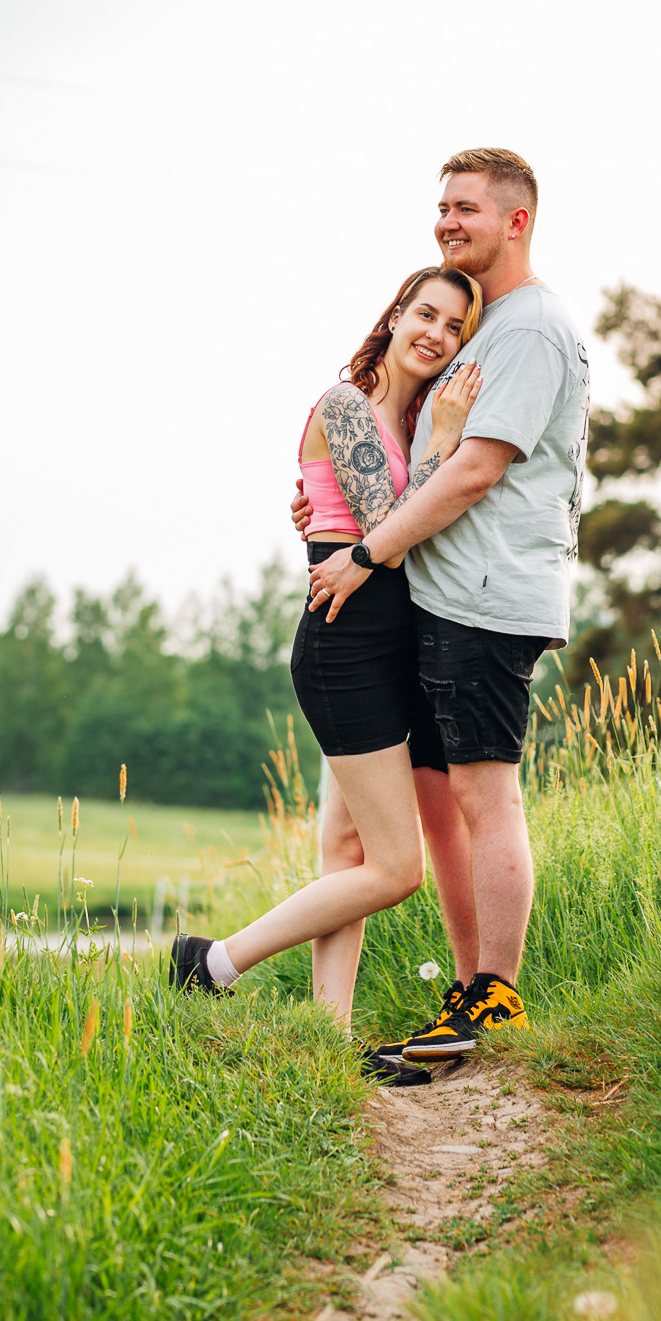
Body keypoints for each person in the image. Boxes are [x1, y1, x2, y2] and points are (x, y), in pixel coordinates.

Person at [300, 148, 589, 1065]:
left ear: (516, 220)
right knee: (441, 801)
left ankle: (492, 995)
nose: (447, 222)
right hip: (441, 596)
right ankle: (466, 993)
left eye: (466, 208)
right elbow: (396, 463)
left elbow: (472, 471)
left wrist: (363, 553)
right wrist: (329, 512)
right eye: (442, 207)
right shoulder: (486, 325)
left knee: (483, 794)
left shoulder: (529, 329)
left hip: (486, 598)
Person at [169, 265, 484, 1073]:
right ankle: (212, 963)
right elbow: (388, 531)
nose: (437, 335)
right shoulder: (348, 405)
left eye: (455, 327)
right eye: (426, 314)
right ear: (395, 315)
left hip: (388, 649)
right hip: (348, 649)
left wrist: (430, 439)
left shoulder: (406, 421)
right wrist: (443, 442)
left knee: (346, 850)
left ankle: (326, 1036)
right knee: (396, 868)